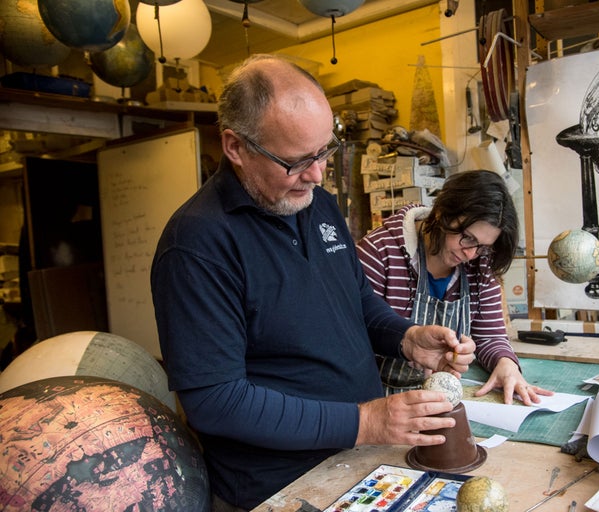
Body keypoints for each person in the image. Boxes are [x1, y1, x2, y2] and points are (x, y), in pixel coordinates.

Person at [150, 54, 475, 511]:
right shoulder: (197, 244)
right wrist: (363, 422)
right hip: (279, 488)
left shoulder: (313, 202)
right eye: (296, 160)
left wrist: (404, 337)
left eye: (325, 151)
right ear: (235, 147)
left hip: (360, 463)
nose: (317, 174)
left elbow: (355, 300)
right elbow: (215, 400)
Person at [356, 170, 553, 405]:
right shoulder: (379, 252)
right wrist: (408, 346)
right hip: (378, 400)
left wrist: (506, 364)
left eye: (482, 246)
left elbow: (489, 335)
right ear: (442, 213)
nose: (470, 254)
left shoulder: (479, 262)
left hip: (444, 399)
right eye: (467, 237)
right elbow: (352, 338)